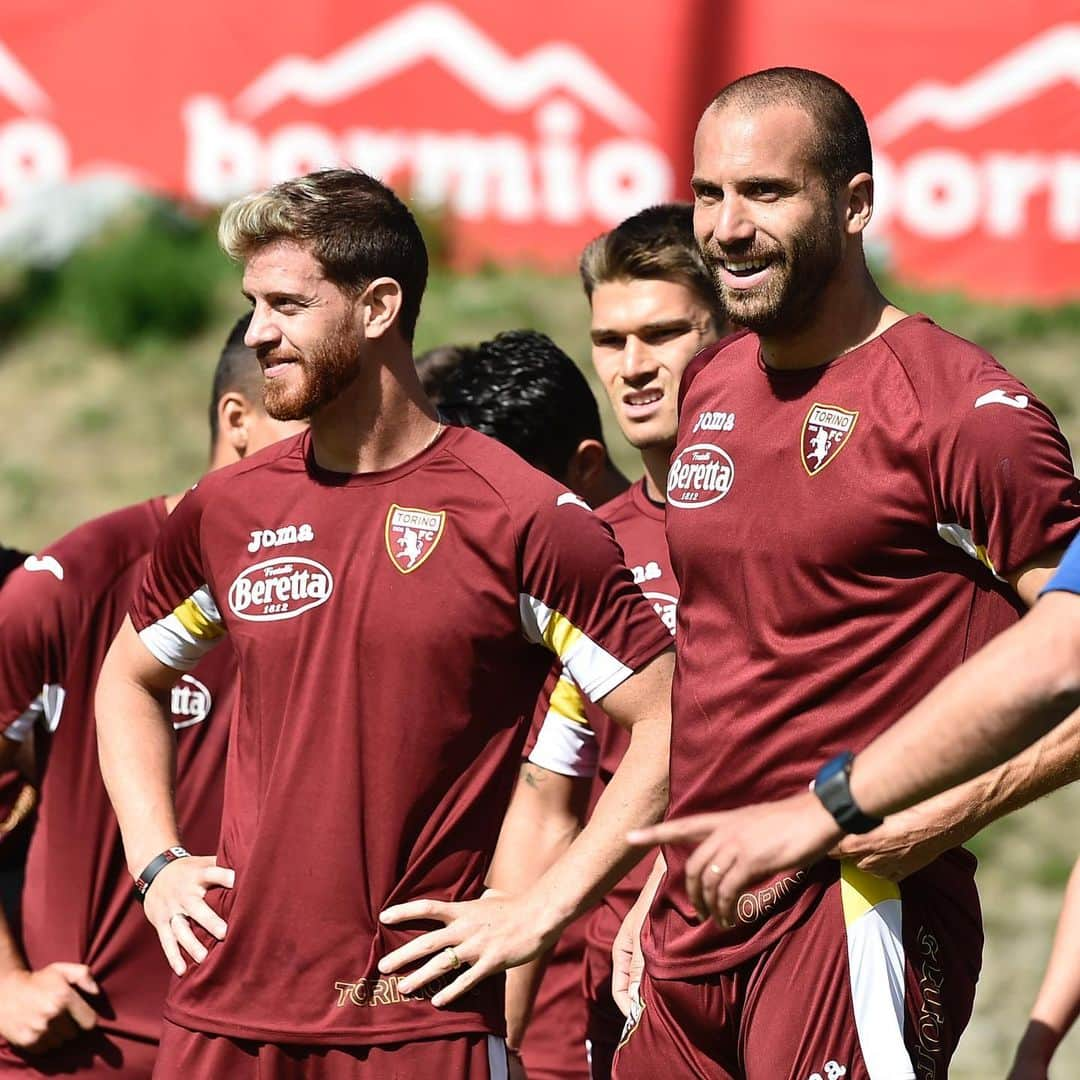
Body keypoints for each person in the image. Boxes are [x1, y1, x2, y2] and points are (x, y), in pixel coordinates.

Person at [93, 168, 674, 1079]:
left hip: (411, 1024)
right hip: (221, 1016)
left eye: (286, 305)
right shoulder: (226, 509)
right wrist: (155, 860)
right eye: (253, 305)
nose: (258, 335)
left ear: (377, 308)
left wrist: (540, 908)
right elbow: (127, 678)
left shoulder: (521, 516)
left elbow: (671, 721)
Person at [617, 67, 1080, 1080]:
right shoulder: (716, 381)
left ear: (856, 204)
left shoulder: (959, 410)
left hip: (852, 905)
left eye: (766, 193)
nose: (727, 227)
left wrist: (963, 801)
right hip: (692, 924)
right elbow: (724, 663)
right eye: (709, 194)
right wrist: (656, 876)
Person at [0, 315, 303, 1076]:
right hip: (79, 1052)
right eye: (310, 427)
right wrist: (3, 984)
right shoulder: (72, 587)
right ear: (239, 419)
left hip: (267, 1048)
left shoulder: (340, 593)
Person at [490, 203, 725, 1080]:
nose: (632, 368)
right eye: (610, 340)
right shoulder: (591, 547)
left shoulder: (812, 514)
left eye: (663, 335)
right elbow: (550, 799)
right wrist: (500, 1038)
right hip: (618, 985)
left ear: (730, 329)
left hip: (784, 950)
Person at [430, 327, 630, 1080]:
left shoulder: (657, 579)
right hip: (526, 997)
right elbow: (542, 807)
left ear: (578, 469)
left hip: (631, 984)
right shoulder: (495, 592)